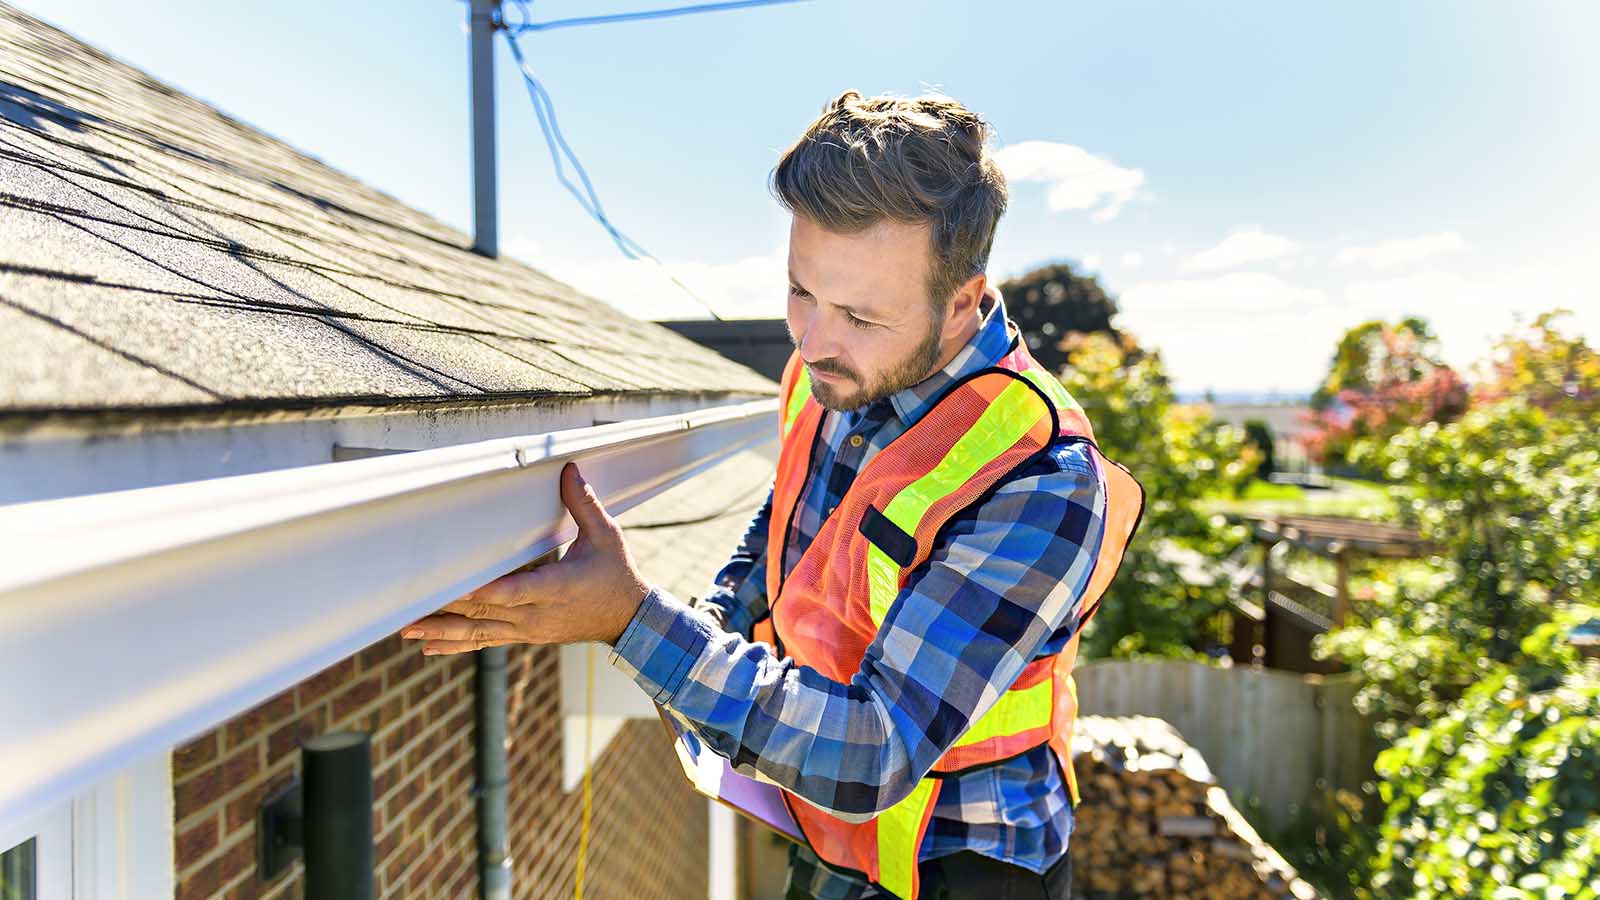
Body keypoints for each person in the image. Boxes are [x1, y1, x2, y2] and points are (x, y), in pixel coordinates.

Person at [403, 90, 1142, 900]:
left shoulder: (1039, 477)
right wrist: (708, 627)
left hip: (968, 862)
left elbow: (874, 751)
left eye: (860, 314)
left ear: (962, 300)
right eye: (801, 292)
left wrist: (635, 625)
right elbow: (787, 523)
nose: (815, 341)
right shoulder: (826, 373)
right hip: (828, 841)